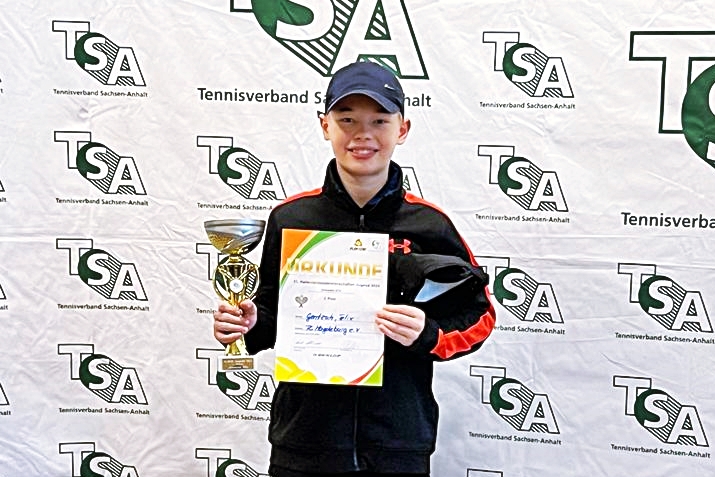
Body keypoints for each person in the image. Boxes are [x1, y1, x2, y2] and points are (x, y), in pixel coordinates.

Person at [213, 61, 496, 477]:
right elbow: (272, 315)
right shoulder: (292, 218)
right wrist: (249, 324)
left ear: (402, 129)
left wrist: (428, 334)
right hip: (304, 441)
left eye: (379, 120)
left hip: (397, 443)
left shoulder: (430, 224)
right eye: (347, 119)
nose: (363, 134)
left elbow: (480, 316)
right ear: (324, 125)